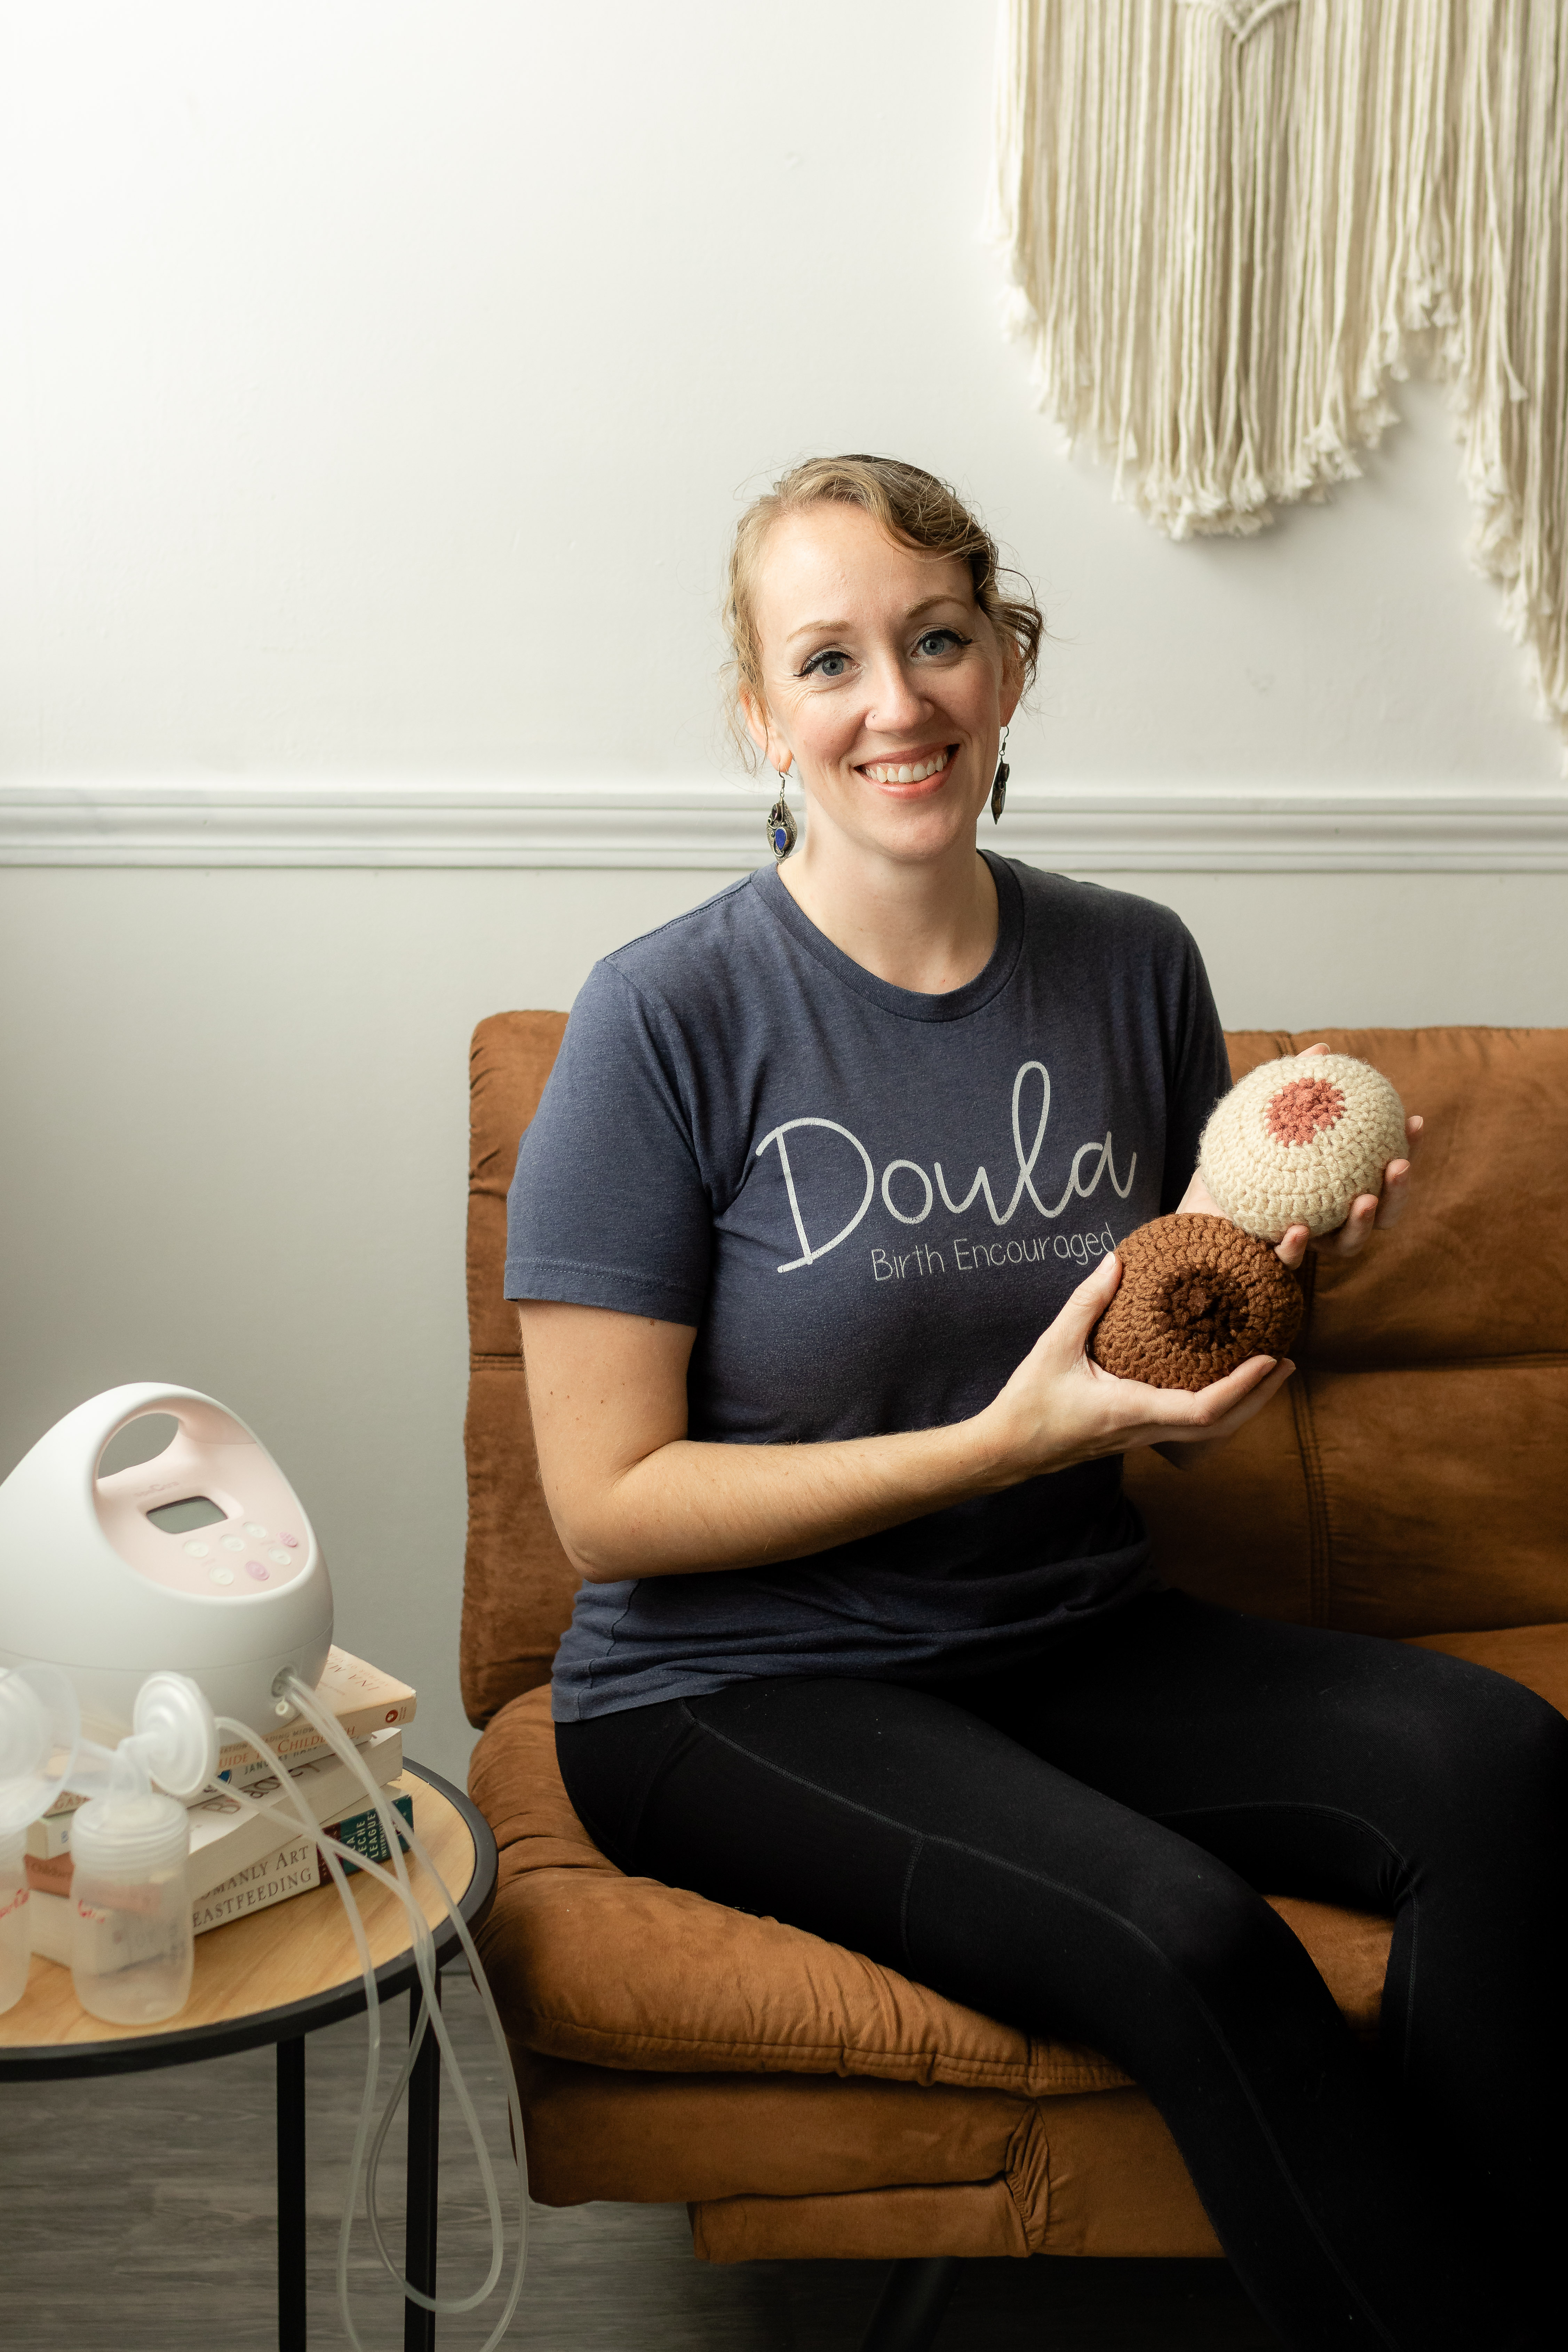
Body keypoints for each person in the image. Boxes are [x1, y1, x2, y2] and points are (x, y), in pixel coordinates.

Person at [506, 455, 1565, 2350]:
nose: (893, 702)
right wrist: (1000, 1443)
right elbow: (607, 1505)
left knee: (1507, 1772)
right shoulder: (663, 1017)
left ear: (1006, 664)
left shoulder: (1132, 964)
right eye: (826, 660)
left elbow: (1150, 1392)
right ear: (760, 717)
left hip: (1063, 1624)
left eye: (935, 640)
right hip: (731, 1686)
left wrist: (1250, 1327)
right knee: (1187, 1934)